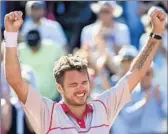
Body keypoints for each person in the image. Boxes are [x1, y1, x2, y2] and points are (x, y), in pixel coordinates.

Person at [4, 7, 166, 134]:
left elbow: (136, 72)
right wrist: (11, 36)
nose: (81, 88)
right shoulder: (47, 113)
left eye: (84, 82)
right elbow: (15, 80)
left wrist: (156, 33)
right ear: (59, 88)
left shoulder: (102, 107)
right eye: (73, 84)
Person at [19, 29, 65, 100]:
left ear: (40, 41)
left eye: (35, 45)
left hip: (52, 98)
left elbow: (64, 69)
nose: (34, 48)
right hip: (27, 100)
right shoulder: (19, 50)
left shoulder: (53, 48)